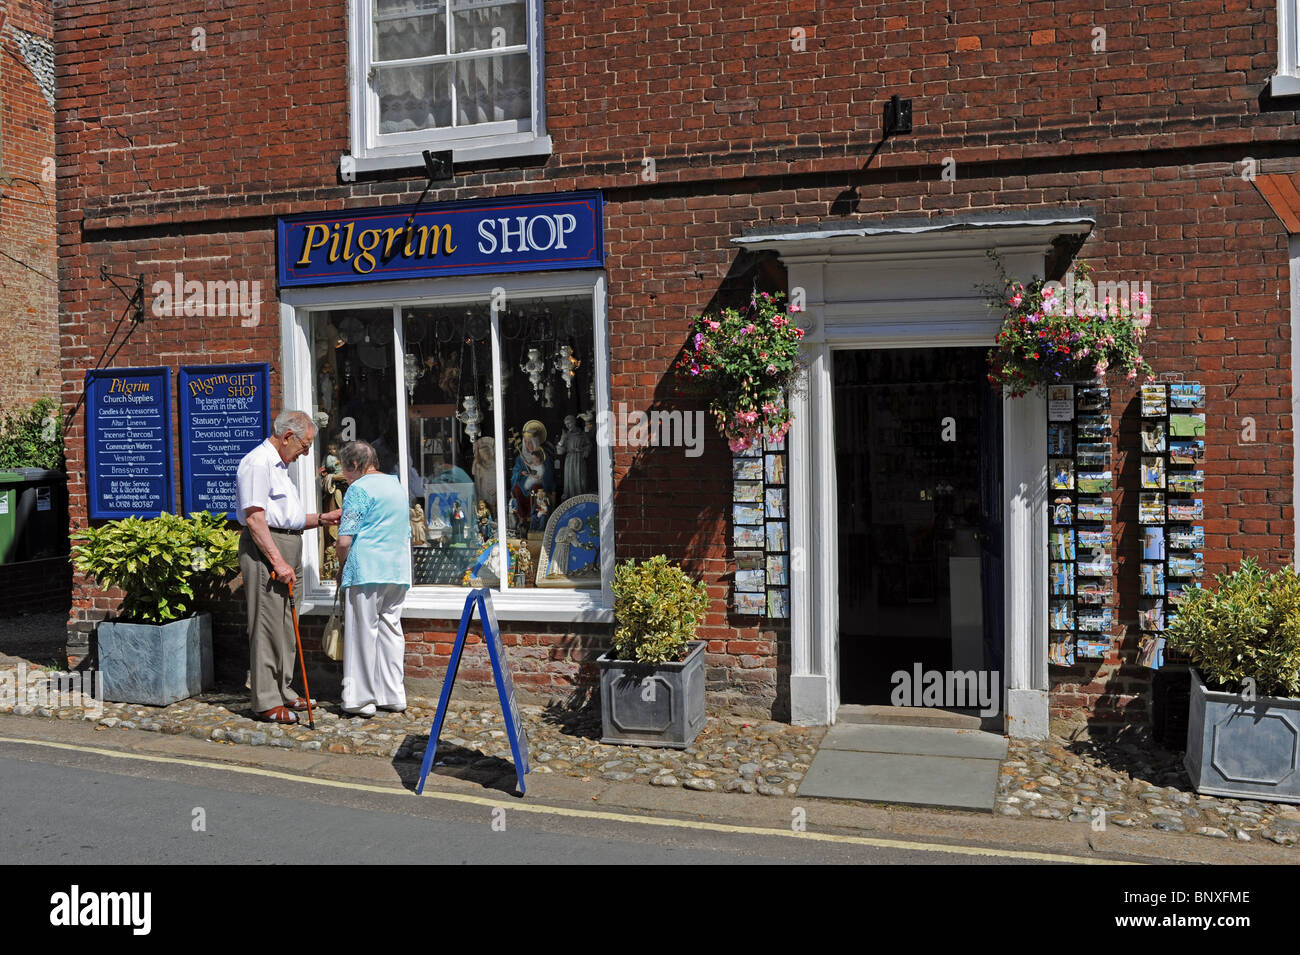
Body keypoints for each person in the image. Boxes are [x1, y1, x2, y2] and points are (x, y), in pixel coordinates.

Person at [237, 409, 341, 725]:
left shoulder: (280, 465)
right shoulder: (258, 463)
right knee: (268, 623)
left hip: (286, 543)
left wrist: (322, 519)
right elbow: (256, 518)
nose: (307, 453)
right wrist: (278, 561)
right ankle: (266, 700)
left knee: (286, 624)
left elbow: (287, 517)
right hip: (267, 549)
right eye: (305, 445)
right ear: (287, 437)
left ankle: (282, 688)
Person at [334, 440, 412, 717]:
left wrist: (341, 565)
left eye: (345, 470)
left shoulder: (358, 488)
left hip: (365, 568)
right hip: (396, 569)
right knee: (391, 631)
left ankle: (359, 699)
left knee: (361, 634)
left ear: (355, 466)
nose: (345, 477)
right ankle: (393, 694)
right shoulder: (396, 485)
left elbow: (344, 540)